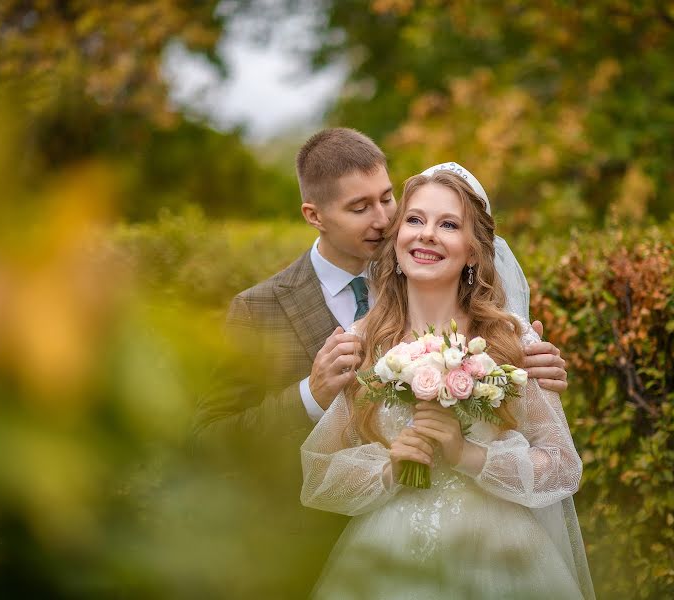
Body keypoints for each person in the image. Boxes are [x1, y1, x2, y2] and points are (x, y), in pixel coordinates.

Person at [191, 129, 571, 598]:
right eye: (359, 208)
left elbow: (553, 456)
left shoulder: (480, 312)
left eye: (389, 199)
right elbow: (209, 440)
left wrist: (531, 371)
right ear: (315, 215)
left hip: (497, 553)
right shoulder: (264, 310)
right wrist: (312, 395)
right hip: (333, 552)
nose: (385, 220)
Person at [300, 166, 594, 599]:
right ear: (397, 236)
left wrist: (469, 455)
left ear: (474, 252)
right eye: (415, 220)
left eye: (449, 225)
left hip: (501, 557)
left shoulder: (512, 340)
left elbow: (562, 468)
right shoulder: (363, 341)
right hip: (390, 555)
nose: (427, 234)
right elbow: (320, 472)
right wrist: (389, 469)